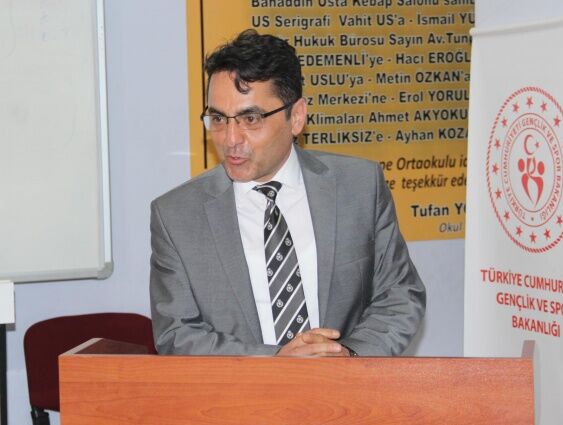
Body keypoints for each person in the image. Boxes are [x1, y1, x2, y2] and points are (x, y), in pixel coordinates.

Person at [150, 29, 425, 357]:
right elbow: (177, 335)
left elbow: (399, 296)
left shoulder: (359, 186)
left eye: (250, 118)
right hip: (242, 390)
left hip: (348, 384)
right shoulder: (176, 216)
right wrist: (276, 363)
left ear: (296, 117)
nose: (230, 139)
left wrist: (348, 357)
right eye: (219, 118)